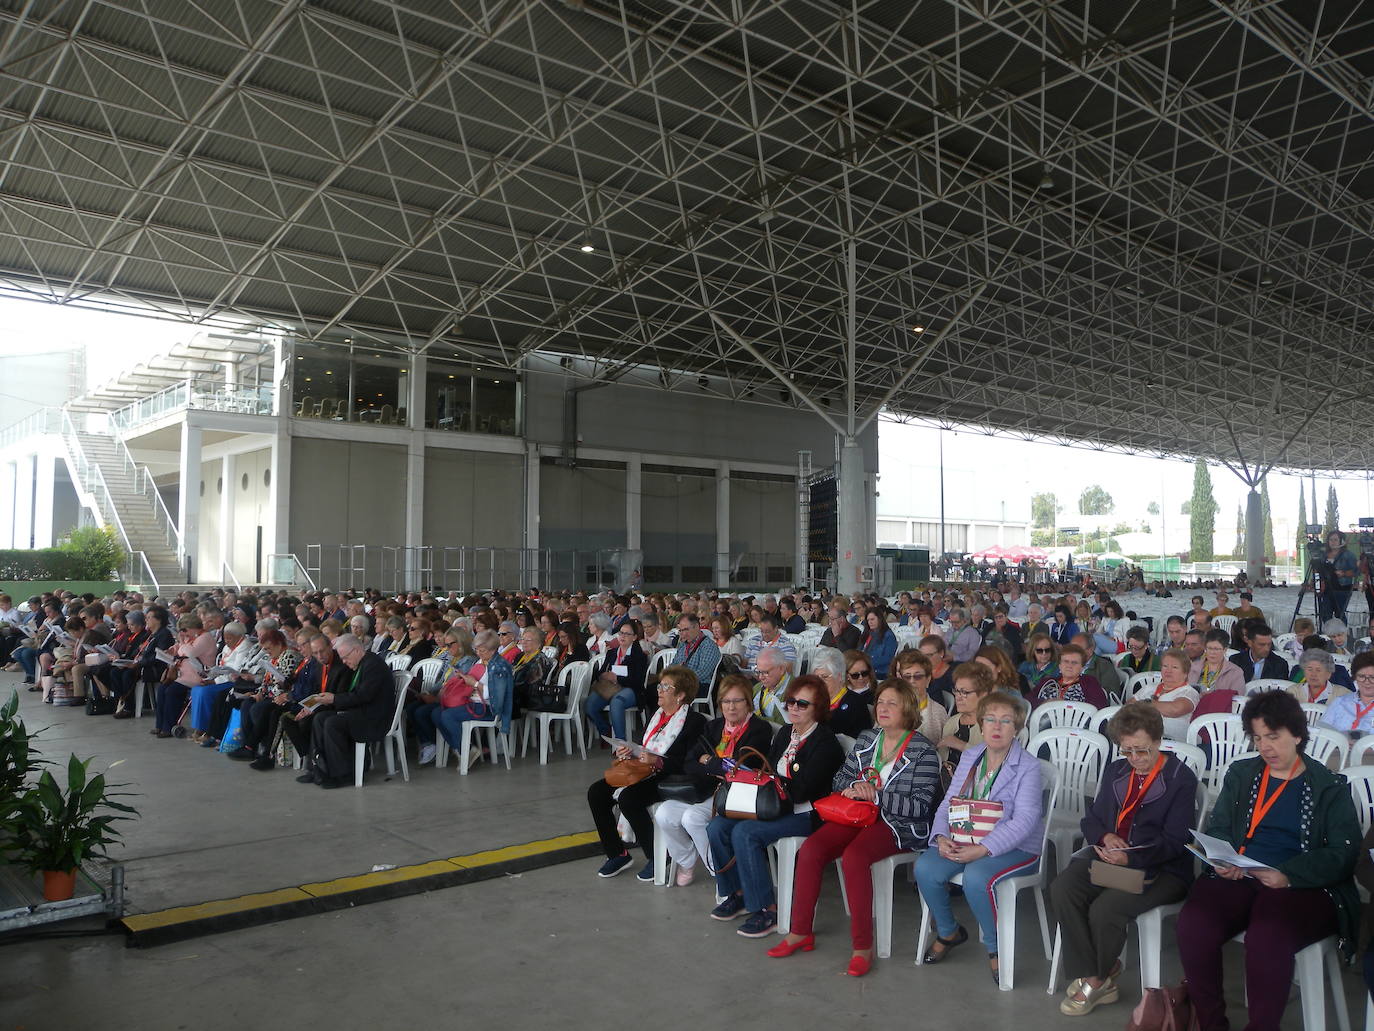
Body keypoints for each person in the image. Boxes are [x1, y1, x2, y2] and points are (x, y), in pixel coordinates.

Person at [1177, 690, 1360, 1031]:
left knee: (1268, 936)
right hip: (1241, 873)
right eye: (1258, 738)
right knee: (1194, 924)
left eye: (1273, 737)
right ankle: (1210, 1022)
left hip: (1299, 885)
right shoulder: (1243, 773)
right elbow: (1219, 827)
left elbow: (1343, 853)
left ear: (1298, 735)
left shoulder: (1328, 786)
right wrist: (1221, 858)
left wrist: (1288, 875)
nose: (1264, 747)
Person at [769, 679, 941, 976]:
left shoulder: (922, 751)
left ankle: (862, 946)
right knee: (811, 849)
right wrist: (855, 788)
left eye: (892, 703)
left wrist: (878, 795)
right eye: (881, 702)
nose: (883, 708)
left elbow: (921, 807)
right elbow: (839, 781)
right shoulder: (866, 739)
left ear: (908, 709)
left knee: (855, 857)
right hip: (857, 814)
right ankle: (800, 931)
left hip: (897, 823)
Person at [1049, 702, 1197, 1015]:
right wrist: (1106, 838)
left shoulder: (1180, 778)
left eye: (1141, 751)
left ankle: (1096, 979)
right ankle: (1099, 970)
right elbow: (1091, 820)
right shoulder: (1117, 769)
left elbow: (1175, 842)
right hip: (1112, 860)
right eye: (1127, 750)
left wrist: (1128, 858)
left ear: (1158, 740)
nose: (1134, 759)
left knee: (1107, 908)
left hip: (1162, 871)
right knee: (1063, 887)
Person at [915, 690, 1046, 984]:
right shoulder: (972, 755)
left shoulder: (1028, 766)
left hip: (1016, 847)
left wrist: (985, 849)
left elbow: (1025, 820)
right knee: (925, 867)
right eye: (990, 720)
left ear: (1017, 728)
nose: (997, 727)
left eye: (1006, 721)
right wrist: (941, 836)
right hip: (966, 837)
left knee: (976, 878)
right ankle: (949, 931)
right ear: (981, 724)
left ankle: (995, 949)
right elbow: (950, 801)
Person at [707, 674, 845, 938]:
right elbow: (767, 769)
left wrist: (774, 782)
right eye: (791, 701)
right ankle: (738, 894)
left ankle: (767, 909)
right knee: (717, 826)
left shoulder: (825, 743)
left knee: (745, 832)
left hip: (806, 813)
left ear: (818, 708)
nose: (793, 708)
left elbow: (804, 790)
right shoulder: (785, 733)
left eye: (802, 704)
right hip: (774, 804)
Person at [588, 665, 708, 881]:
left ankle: (658, 857)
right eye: (660, 685)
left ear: (680, 695)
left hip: (670, 776)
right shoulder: (658, 716)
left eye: (665, 687)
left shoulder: (694, 722)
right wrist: (630, 752)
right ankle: (617, 853)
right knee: (596, 792)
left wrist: (659, 762)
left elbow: (688, 763)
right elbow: (647, 746)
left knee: (629, 798)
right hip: (645, 770)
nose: (659, 690)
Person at [653, 674, 773, 886]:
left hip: (734, 795)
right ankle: (687, 859)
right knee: (663, 813)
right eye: (726, 701)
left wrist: (708, 762)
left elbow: (741, 768)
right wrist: (716, 765)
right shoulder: (714, 727)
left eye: (738, 701)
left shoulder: (759, 729)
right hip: (705, 790)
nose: (731, 707)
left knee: (692, 818)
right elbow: (689, 762)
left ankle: (720, 872)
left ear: (748, 702)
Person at [307, 633, 397, 787]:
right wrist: (332, 700)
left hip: (375, 718)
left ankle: (343, 774)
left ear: (356, 650)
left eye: (345, 657)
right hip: (362, 712)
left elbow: (363, 696)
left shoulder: (373, 665)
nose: (344, 661)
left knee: (332, 723)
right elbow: (356, 695)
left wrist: (334, 699)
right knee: (320, 718)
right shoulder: (362, 663)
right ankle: (319, 769)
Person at [434, 629, 513, 766]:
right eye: (477, 650)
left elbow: (498, 697)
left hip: (489, 708)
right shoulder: (481, 661)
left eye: (482, 650)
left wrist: (475, 683)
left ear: (493, 649)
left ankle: (466, 750)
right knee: (436, 713)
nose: (478, 653)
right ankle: (462, 748)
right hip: (473, 702)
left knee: (448, 716)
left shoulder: (500, 667)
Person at [585, 618, 648, 740]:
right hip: (610, 688)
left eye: (627, 634)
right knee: (589, 705)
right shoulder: (612, 652)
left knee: (616, 702)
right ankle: (606, 731)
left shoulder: (639, 656)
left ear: (634, 637)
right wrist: (603, 675)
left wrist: (617, 678)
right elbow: (600, 672)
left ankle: (621, 743)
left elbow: (637, 681)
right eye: (620, 633)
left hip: (631, 689)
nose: (622, 636)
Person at [812, 646, 873, 739]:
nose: (819, 682)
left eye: (824, 677)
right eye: (816, 678)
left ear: (839, 676)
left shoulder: (856, 703)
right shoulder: (813, 700)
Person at [938, 661, 993, 766]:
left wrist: (962, 746)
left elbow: (996, 764)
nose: (958, 697)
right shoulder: (952, 723)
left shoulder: (994, 725)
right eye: (956, 691)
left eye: (964, 692)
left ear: (983, 694)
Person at [890, 650, 948, 746]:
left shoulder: (938, 712)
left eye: (918, 676)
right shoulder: (889, 706)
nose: (912, 681)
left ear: (928, 679)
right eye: (907, 677)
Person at [1032, 644, 1108, 708]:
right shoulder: (1047, 682)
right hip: (1045, 723)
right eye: (1066, 661)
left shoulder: (1090, 682)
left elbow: (1099, 705)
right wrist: (1046, 702)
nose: (1069, 666)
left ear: (1082, 667)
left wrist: (1068, 705)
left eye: (1074, 662)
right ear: (1059, 665)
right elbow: (1029, 700)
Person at [1319, 652, 1374, 738]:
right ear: (1355, 677)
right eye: (1361, 676)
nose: (1367, 682)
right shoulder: (1340, 702)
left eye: (1372, 677)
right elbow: (1321, 731)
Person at [1313, 530, 1358, 623]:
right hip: (1327, 589)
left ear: (1341, 541)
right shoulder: (1323, 555)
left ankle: (1342, 635)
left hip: (1342, 588)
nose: (1332, 542)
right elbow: (1318, 570)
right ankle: (1327, 634)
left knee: (1339, 614)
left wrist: (1344, 573)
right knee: (1325, 614)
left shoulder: (1348, 555)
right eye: (1330, 540)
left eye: (1335, 540)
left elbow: (1356, 571)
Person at [511, 626, 554, 717]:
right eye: (523, 639)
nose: (524, 643)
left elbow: (531, 684)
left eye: (528, 640)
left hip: (530, 696)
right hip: (517, 691)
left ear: (539, 644)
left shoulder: (540, 660)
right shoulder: (520, 656)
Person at [671, 613, 721, 690]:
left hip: (699, 685)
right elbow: (673, 664)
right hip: (681, 682)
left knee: (666, 691)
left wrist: (679, 678)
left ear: (697, 627)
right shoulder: (683, 645)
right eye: (680, 630)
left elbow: (702, 673)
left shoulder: (709, 646)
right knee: (655, 688)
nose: (682, 634)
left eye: (686, 629)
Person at [751, 646, 793, 722]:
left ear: (782, 669)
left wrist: (751, 718)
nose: (760, 677)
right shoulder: (757, 688)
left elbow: (783, 723)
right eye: (758, 672)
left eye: (766, 672)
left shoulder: (794, 690)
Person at [860, 607, 897, 678]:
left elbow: (888, 658)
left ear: (880, 619)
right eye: (868, 620)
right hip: (865, 669)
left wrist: (865, 664)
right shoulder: (867, 634)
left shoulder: (889, 636)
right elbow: (859, 651)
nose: (870, 622)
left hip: (880, 672)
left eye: (872, 619)